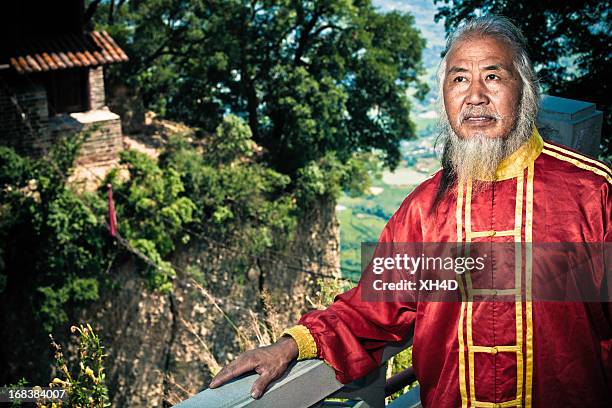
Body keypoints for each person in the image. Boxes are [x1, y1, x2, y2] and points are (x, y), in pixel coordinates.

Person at [209, 15, 612, 407]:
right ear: (445, 99)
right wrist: (288, 345)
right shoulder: (423, 209)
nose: (475, 96)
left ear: (524, 90)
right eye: (459, 80)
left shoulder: (590, 194)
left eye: (492, 76)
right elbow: (369, 310)